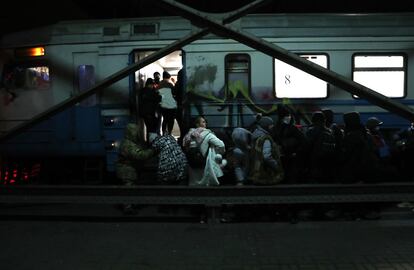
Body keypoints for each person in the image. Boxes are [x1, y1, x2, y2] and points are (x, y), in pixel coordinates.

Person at [115, 123, 155, 214]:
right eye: (135, 132)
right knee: (128, 189)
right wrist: (152, 151)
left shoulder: (128, 142)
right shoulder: (128, 144)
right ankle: (127, 207)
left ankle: (131, 204)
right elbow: (140, 155)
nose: (137, 134)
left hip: (128, 169)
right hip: (126, 170)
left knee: (130, 188)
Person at [182, 116, 227, 186]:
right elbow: (221, 145)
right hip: (203, 162)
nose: (205, 123)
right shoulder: (207, 134)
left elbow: (185, 147)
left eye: (205, 122)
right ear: (197, 124)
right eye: (203, 122)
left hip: (192, 162)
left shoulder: (189, 135)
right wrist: (218, 152)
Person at [249, 116, 284, 185]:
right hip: (265, 173)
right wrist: (276, 165)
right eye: (271, 125)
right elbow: (267, 156)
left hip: (256, 171)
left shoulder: (255, 135)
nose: (272, 127)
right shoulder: (265, 138)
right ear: (266, 126)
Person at [305, 111, 336, 183]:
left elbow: (307, 145)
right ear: (324, 120)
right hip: (328, 158)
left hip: (314, 157)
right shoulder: (330, 131)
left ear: (313, 120)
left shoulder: (310, 131)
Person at [158, 71, 177, 135]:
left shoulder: (159, 85)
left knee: (165, 120)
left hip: (163, 106)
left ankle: (163, 133)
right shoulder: (170, 84)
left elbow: (158, 95)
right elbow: (174, 93)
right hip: (171, 106)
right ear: (168, 77)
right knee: (171, 120)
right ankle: (169, 133)